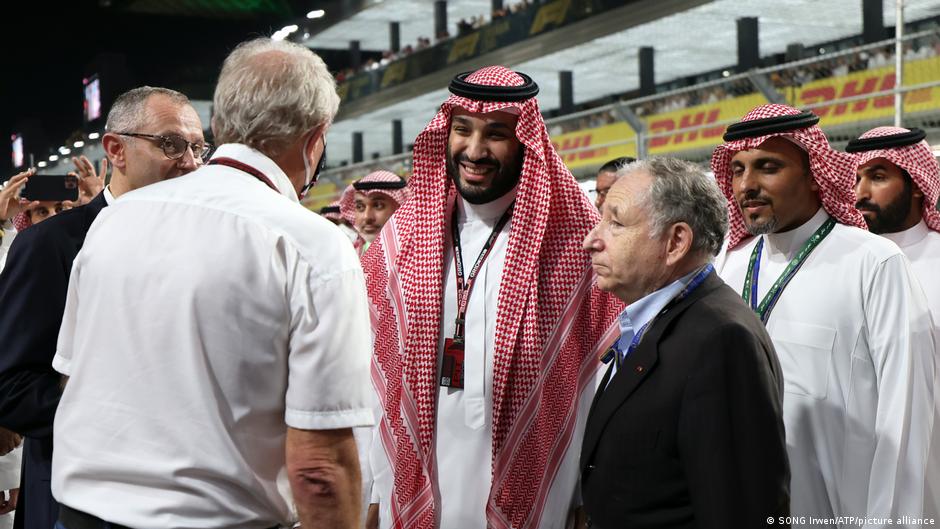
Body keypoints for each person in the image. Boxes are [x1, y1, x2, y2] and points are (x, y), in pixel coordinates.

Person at [51, 38, 372, 529]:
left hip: (81, 514)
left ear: (220, 126)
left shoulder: (115, 219)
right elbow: (319, 466)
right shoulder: (314, 246)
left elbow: (73, 377)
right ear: (315, 140)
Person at [363, 66, 622, 529]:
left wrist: (591, 489)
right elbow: (371, 373)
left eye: (496, 134)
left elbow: (602, 379)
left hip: (543, 479)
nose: (475, 151)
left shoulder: (574, 240)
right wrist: (371, 488)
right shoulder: (401, 239)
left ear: (525, 140)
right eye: (462, 129)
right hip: (416, 476)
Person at [712, 104, 939, 527]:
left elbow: (905, 416)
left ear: (815, 174)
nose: (748, 185)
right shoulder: (732, 265)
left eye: (768, 167)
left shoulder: (872, 261)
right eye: (739, 170)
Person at [0, 86, 203, 529]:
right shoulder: (51, 245)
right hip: (75, 498)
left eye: (197, 147)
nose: (189, 161)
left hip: (182, 497)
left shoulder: (206, 243)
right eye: (171, 144)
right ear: (116, 149)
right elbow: (12, 388)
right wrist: (131, 420)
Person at [580, 157, 789, 529]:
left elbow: (740, 511)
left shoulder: (722, 341)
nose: (591, 241)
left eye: (616, 222)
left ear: (676, 242)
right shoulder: (653, 322)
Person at [848, 126, 940, 323]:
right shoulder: (843, 258)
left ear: (917, 185)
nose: (860, 193)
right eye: (856, 180)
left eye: (877, 178)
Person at [340, 170, 411, 255]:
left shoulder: (420, 254)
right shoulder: (351, 254)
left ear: (401, 207)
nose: (367, 217)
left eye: (378, 205)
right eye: (360, 207)